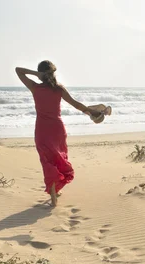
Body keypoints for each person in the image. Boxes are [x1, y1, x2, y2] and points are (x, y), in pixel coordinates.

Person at [15, 61, 101, 207]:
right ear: (53, 73)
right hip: (57, 129)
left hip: (42, 129)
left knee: (46, 160)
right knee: (59, 158)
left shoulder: (34, 87)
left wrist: (38, 75)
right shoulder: (59, 89)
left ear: (41, 73)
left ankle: (53, 194)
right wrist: (92, 112)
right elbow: (76, 105)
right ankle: (56, 190)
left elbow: (18, 70)